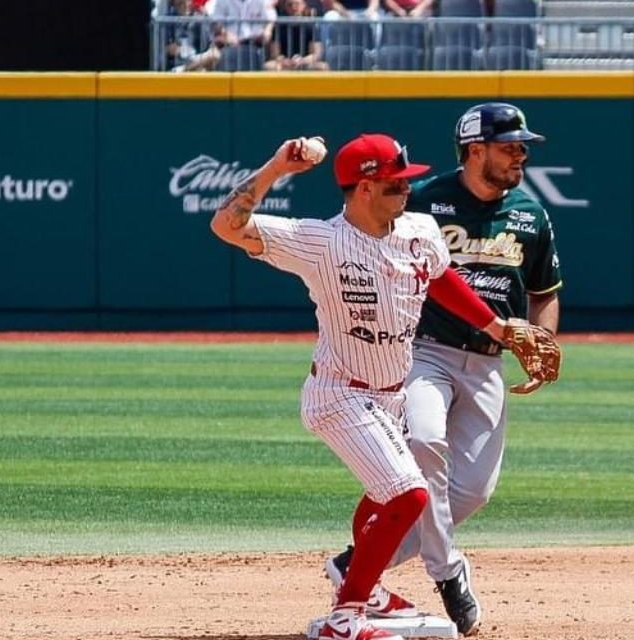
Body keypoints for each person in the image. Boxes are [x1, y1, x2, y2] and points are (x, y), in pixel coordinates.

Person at [210, 132, 545, 640]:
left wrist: (497, 328)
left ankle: (364, 589)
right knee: (409, 494)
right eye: (393, 184)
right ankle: (344, 618)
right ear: (363, 188)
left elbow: (440, 277)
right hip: (341, 393)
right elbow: (226, 226)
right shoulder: (320, 241)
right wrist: (278, 166)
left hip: (389, 394)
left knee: (381, 495)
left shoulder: (419, 229)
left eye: (406, 181)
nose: (405, 190)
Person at [324, 103, 563, 637]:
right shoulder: (424, 200)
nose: (520, 154)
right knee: (425, 446)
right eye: (510, 146)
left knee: (472, 489)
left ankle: (358, 563)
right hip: (422, 351)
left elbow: (544, 292)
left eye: (522, 146)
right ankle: (448, 571)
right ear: (475, 151)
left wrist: (541, 339)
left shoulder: (530, 213)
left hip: (487, 361)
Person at [266, 0, 329, 70]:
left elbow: (316, 54)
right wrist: (284, 61)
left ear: (303, 5)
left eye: (297, 4)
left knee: (323, 67)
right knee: (269, 66)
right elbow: (275, 54)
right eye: (290, 5)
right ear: (285, 7)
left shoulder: (311, 27)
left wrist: (303, 61)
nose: (293, 7)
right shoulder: (278, 28)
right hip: (285, 63)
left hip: (305, 63)